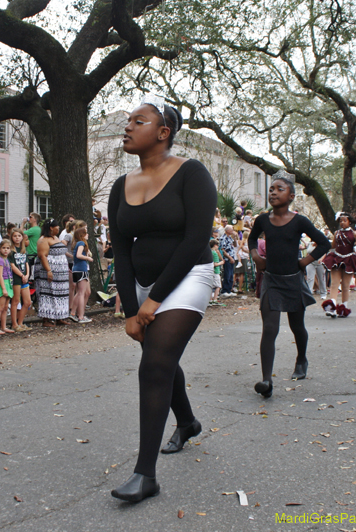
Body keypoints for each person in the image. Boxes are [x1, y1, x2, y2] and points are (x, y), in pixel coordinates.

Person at [108, 97, 216, 503]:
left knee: (154, 363)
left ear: (163, 132)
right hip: (141, 284)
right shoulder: (121, 185)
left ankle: (145, 475)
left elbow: (195, 240)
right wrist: (132, 309)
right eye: (127, 121)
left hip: (188, 276)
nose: (128, 126)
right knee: (160, 357)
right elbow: (120, 251)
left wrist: (152, 303)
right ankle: (186, 421)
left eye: (139, 120)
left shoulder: (191, 173)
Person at [249, 177, 330, 398]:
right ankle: (266, 379)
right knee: (270, 329)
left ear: (291, 196)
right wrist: (256, 256)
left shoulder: (300, 221)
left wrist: (305, 262)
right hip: (271, 281)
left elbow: (324, 243)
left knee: (297, 327)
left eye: (279, 189)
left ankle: (301, 359)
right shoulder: (262, 220)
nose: (273, 192)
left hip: (293, 280)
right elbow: (252, 239)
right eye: (271, 189)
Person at [321, 213, 356, 318]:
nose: (342, 222)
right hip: (337, 258)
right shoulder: (337, 233)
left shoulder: (354, 233)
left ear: (349, 222)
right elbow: (333, 246)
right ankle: (332, 307)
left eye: (344, 220)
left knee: (345, 286)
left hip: (348, 259)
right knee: (334, 284)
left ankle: (344, 308)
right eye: (341, 221)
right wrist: (322, 242)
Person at [34, 218, 70, 327]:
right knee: (49, 293)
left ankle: (59, 317)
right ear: (51, 228)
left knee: (60, 294)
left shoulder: (55, 237)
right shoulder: (43, 240)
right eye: (57, 226)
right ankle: (47, 319)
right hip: (49, 271)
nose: (58, 228)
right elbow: (42, 256)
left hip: (61, 273)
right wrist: (49, 270)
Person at [9, 228, 32, 332]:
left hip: (24, 278)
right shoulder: (11, 250)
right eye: (15, 236)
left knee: (27, 302)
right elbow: (12, 265)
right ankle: (14, 324)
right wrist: (21, 275)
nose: (17, 238)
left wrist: (27, 275)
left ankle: (20, 322)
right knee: (16, 301)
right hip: (16, 279)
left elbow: (26, 263)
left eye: (19, 236)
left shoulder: (23, 250)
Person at [69, 226, 93, 324]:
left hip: (76, 270)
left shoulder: (77, 243)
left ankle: (73, 313)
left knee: (79, 292)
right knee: (82, 293)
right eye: (86, 233)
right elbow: (79, 255)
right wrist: (88, 259)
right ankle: (81, 316)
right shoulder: (81, 243)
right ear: (82, 235)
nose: (88, 235)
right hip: (81, 270)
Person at [0, 240, 15, 335]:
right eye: (4, 248)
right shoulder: (0, 260)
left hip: (8, 282)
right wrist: (4, 288)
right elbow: (0, 275)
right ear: (0, 249)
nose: (6, 250)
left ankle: (4, 326)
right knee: (0, 307)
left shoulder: (7, 260)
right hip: (3, 283)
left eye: (8, 248)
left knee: (5, 307)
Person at [218, 225, 236, 296]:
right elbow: (223, 249)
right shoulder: (223, 238)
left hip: (232, 257)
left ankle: (229, 289)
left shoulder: (230, 238)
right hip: (227, 258)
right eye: (231, 229)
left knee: (231, 274)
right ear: (227, 230)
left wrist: (234, 237)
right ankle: (225, 290)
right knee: (227, 274)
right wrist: (229, 258)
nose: (232, 231)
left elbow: (234, 245)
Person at [208, 239, 223, 305]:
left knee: (210, 286)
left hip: (210, 271)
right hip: (216, 271)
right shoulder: (214, 253)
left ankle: (210, 299)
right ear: (215, 245)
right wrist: (221, 262)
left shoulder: (209, 252)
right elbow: (215, 264)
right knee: (218, 285)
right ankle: (215, 299)